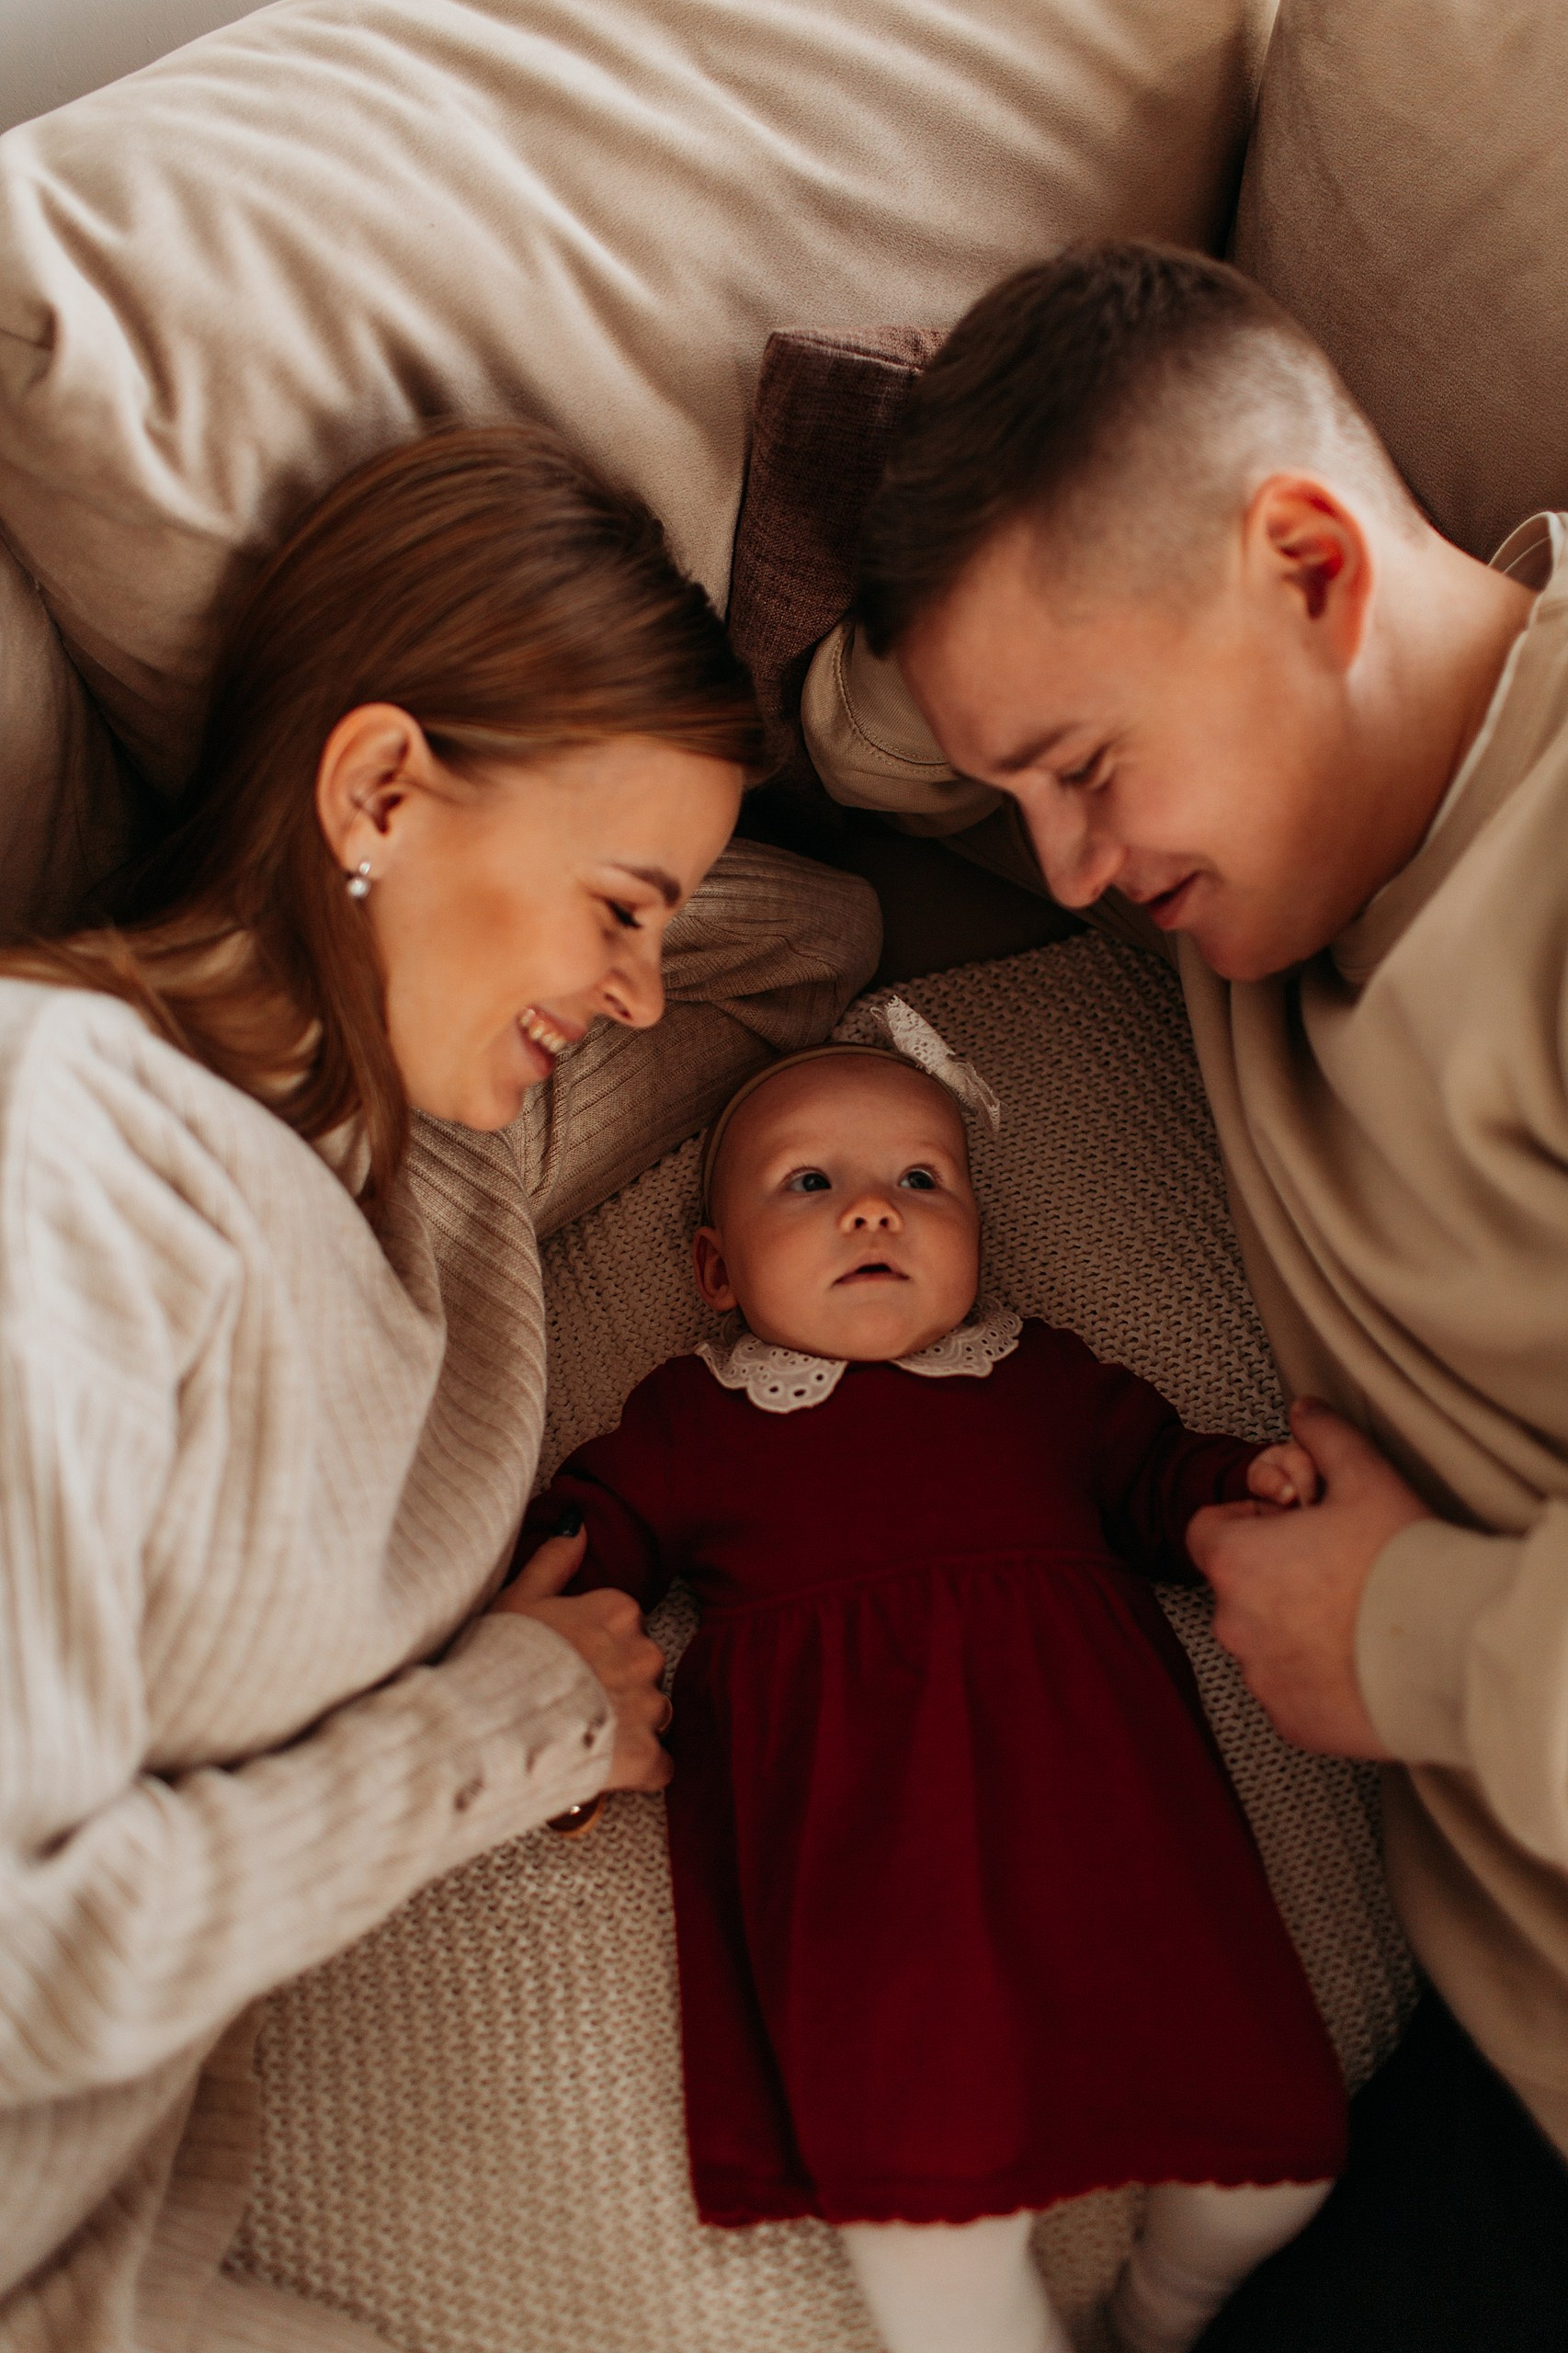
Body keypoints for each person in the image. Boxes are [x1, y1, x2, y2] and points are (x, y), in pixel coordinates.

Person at [0, 421, 880, 2353]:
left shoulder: (446, 1165)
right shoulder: (62, 1152)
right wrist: (511, 1725)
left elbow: (818, 945)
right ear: (382, 783)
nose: (640, 988)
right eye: (619, 908)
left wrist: (609, 854)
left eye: (656, 920)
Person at [800, 241, 1568, 2345]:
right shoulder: (1268, 828)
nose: (1058, 869)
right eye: (1018, 792)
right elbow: (867, 730)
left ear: (1309, 566)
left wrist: (1398, 1636)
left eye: (1084, 770)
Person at [518, 1022, 1346, 2353]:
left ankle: (1159, 2314)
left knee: (1276, 2158)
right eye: (810, 1183)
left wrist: (1234, 1494)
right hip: (870, 1852)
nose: (871, 1208)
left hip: (1106, 1818)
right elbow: (585, 1541)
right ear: (715, 1271)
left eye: (921, 1180)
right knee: (926, 2206)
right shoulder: (697, 1421)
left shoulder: (1042, 1380)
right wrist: (525, 1627)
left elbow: (1155, 1477)